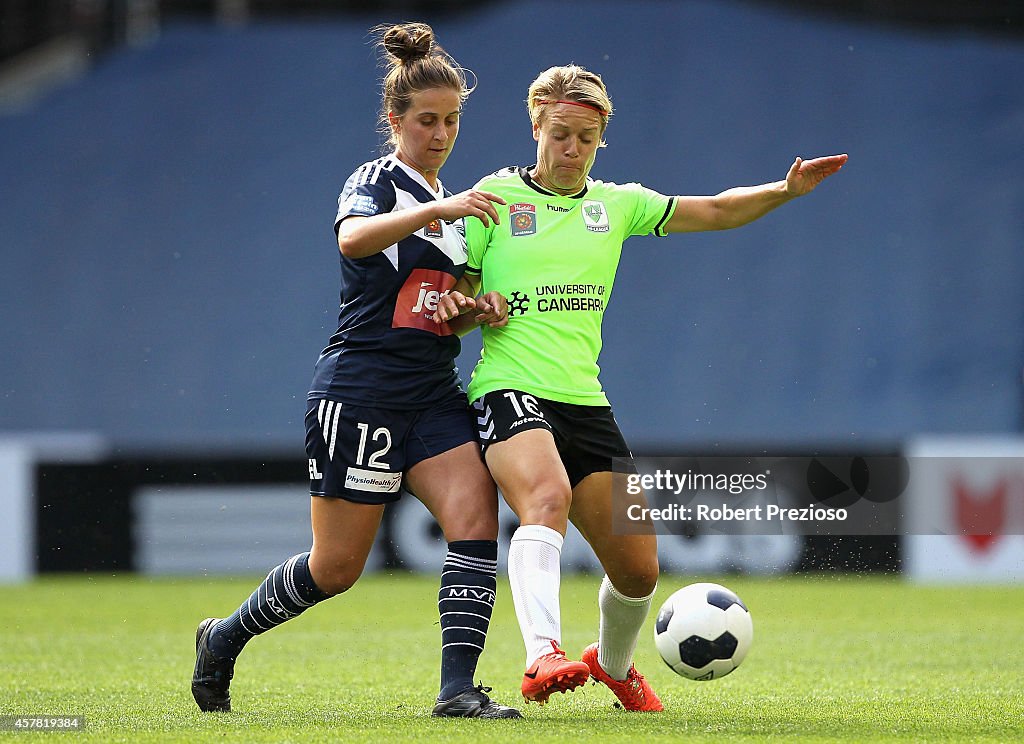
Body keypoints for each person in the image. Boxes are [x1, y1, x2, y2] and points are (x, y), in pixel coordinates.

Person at [433, 64, 847, 712]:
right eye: (561, 134)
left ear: (601, 140)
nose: (571, 151)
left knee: (639, 571)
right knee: (547, 496)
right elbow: (446, 310)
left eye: (586, 140)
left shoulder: (615, 205)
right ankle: (543, 652)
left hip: (585, 401)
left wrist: (786, 190)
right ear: (535, 123)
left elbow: (713, 210)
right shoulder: (492, 200)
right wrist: (471, 309)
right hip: (508, 387)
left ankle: (613, 665)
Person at [191, 22, 520, 719]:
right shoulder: (379, 183)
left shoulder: (458, 214)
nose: (441, 133)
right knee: (336, 568)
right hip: (360, 391)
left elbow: (436, 309)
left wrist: (474, 310)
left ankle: (457, 690)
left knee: (475, 516)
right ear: (394, 119)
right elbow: (352, 237)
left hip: (431, 392)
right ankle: (222, 639)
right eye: (427, 120)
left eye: (452, 120)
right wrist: (434, 207)